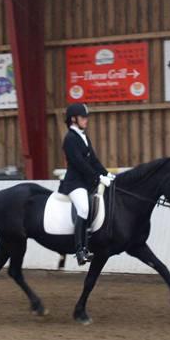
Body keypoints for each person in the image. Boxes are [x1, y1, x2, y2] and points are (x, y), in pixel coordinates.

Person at [58, 103, 115, 266]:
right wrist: (98, 179)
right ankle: (80, 250)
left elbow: (93, 161)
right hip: (74, 183)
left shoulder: (83, 137)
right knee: (83, 207)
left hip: (86, 182)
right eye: (83, 117)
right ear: (74, 119)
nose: (86, 120)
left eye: (86, 117)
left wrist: (107, 173)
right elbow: (79, 164)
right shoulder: (69, 139)